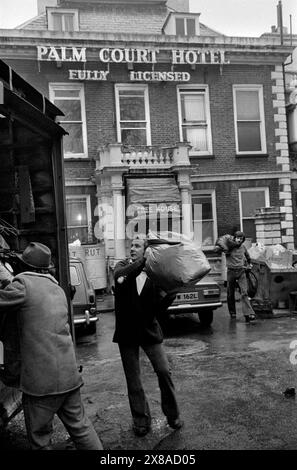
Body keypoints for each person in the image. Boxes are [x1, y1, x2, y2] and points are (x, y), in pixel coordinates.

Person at [0, 242, 103, 450]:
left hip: (41, 385)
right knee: (81, 428)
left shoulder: (23, 285)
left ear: (25, 266)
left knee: (40, 438)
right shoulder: (56, 288)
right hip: (69, 377)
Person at [113, 236, 183, 437]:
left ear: (146, 250)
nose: (132, 249)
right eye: (131, 246)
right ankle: (141, 421)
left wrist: (170, 294)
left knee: (163, 371)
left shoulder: (154, 275)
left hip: (149, 331)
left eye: (137, 246)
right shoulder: (121, 267)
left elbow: (159, 310)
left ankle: (173, 415)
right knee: (133, 380)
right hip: (127, 333)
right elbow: (120, 277)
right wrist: (144, 261)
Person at [215, 231, 256, 323]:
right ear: (234, 238)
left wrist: (249, 264)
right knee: (230, 293)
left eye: (241, 239)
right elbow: (216, 250)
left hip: (241, 272)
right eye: (238, 238)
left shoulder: (243, 247)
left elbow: (248, 257)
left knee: (244, 293)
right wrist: (220, 248)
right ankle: (232, 312)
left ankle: (248, 314)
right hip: (231, 272)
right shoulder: (229, 247)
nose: (239, 240)